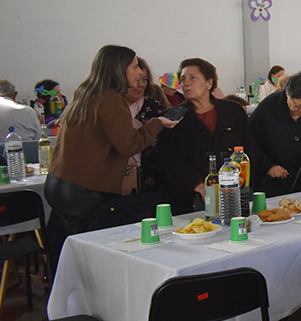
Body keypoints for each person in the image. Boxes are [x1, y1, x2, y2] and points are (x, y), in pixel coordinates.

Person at [44, 45, 178, 235]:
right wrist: (157, 123)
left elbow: (97, 142)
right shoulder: (110, 99)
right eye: (135, 66)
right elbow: (129, 145)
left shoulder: (87, 93)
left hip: (60, 185)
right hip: (84, 191)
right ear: (119, 69)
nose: (140, 72)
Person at [156, 57, 260, 214]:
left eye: (193, 77)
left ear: (209, 83)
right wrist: (198, 185)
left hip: (236, 187)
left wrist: (243, 178)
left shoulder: (233, 110)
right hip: (193, 195)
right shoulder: (171, 117)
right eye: (182, 79)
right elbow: (169, 160)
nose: (186, 83)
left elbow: (250, 147)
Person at [249, 71, 301, 195]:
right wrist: (268, 167)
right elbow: (250, 144)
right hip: (270, 184)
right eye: (298, 106)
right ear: (288, 93)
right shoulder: (268, 107)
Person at [123, 57, 168, 194]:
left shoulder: (153, 107)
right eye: (136, 79)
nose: (140, 84)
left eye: (144, 80)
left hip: (150, 179)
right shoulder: (110, 107)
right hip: (111, 179)